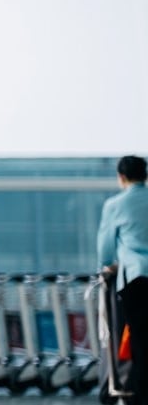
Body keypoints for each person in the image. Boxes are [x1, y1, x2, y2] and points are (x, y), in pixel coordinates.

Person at [97, 154, 148, 404]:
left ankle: (138, 393)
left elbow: (105, 249)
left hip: (135, 277)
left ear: (121, 177)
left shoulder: (115, 205)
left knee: (137, 336)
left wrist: (108, 266)